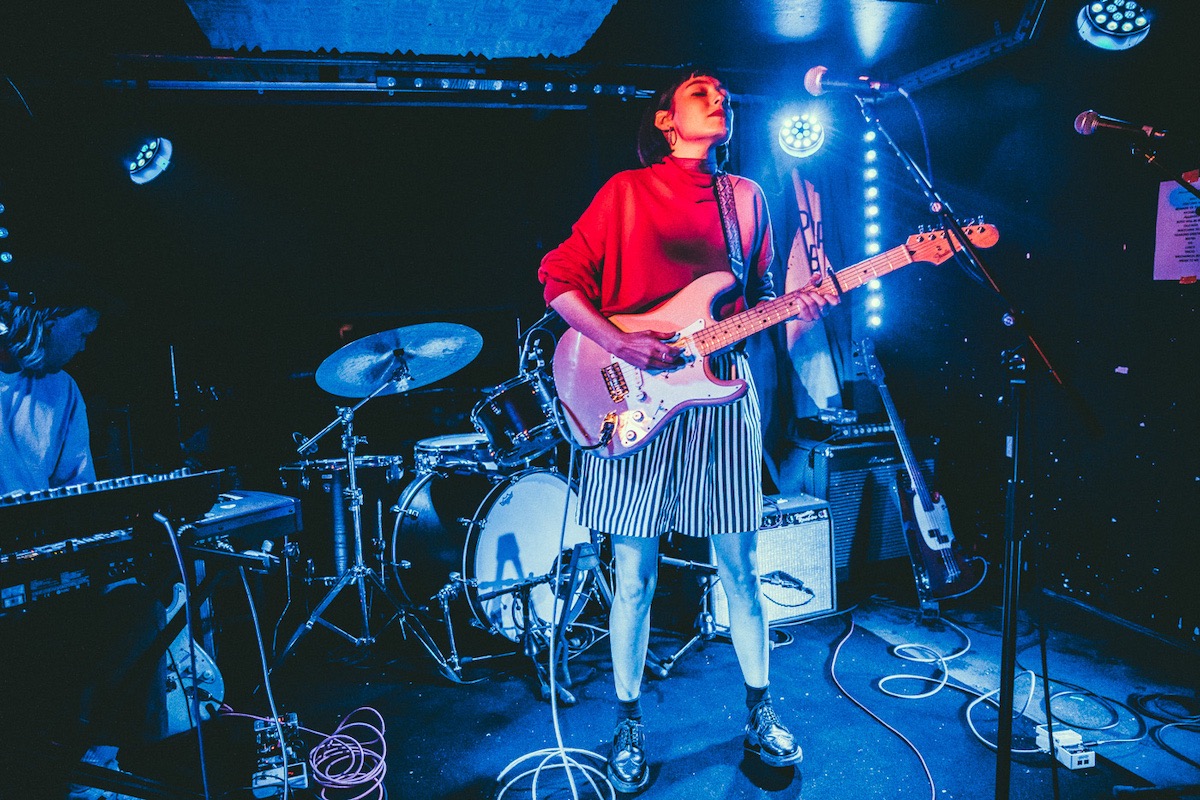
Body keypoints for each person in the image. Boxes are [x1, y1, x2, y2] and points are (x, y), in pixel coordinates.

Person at [538, 70, 837, 792]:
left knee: (741, 572)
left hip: (722, 399)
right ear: (667, 120)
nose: (718, 97)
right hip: (627, 398)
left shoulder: (746, 199)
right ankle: (628, 723)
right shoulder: (626, 191)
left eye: (723, 93)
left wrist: (801, 305)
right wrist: (621, 341)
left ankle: (760, 713)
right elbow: (557, 279)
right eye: (700, 91)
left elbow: (761, 298)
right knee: (634, 579)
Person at [0, 263, 163, 799]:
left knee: (138, 608)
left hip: (40, 566)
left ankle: (97, 766)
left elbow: (79, 495)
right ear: (48, 318)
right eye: (83, 330)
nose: (86, 345)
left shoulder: (63, 389)